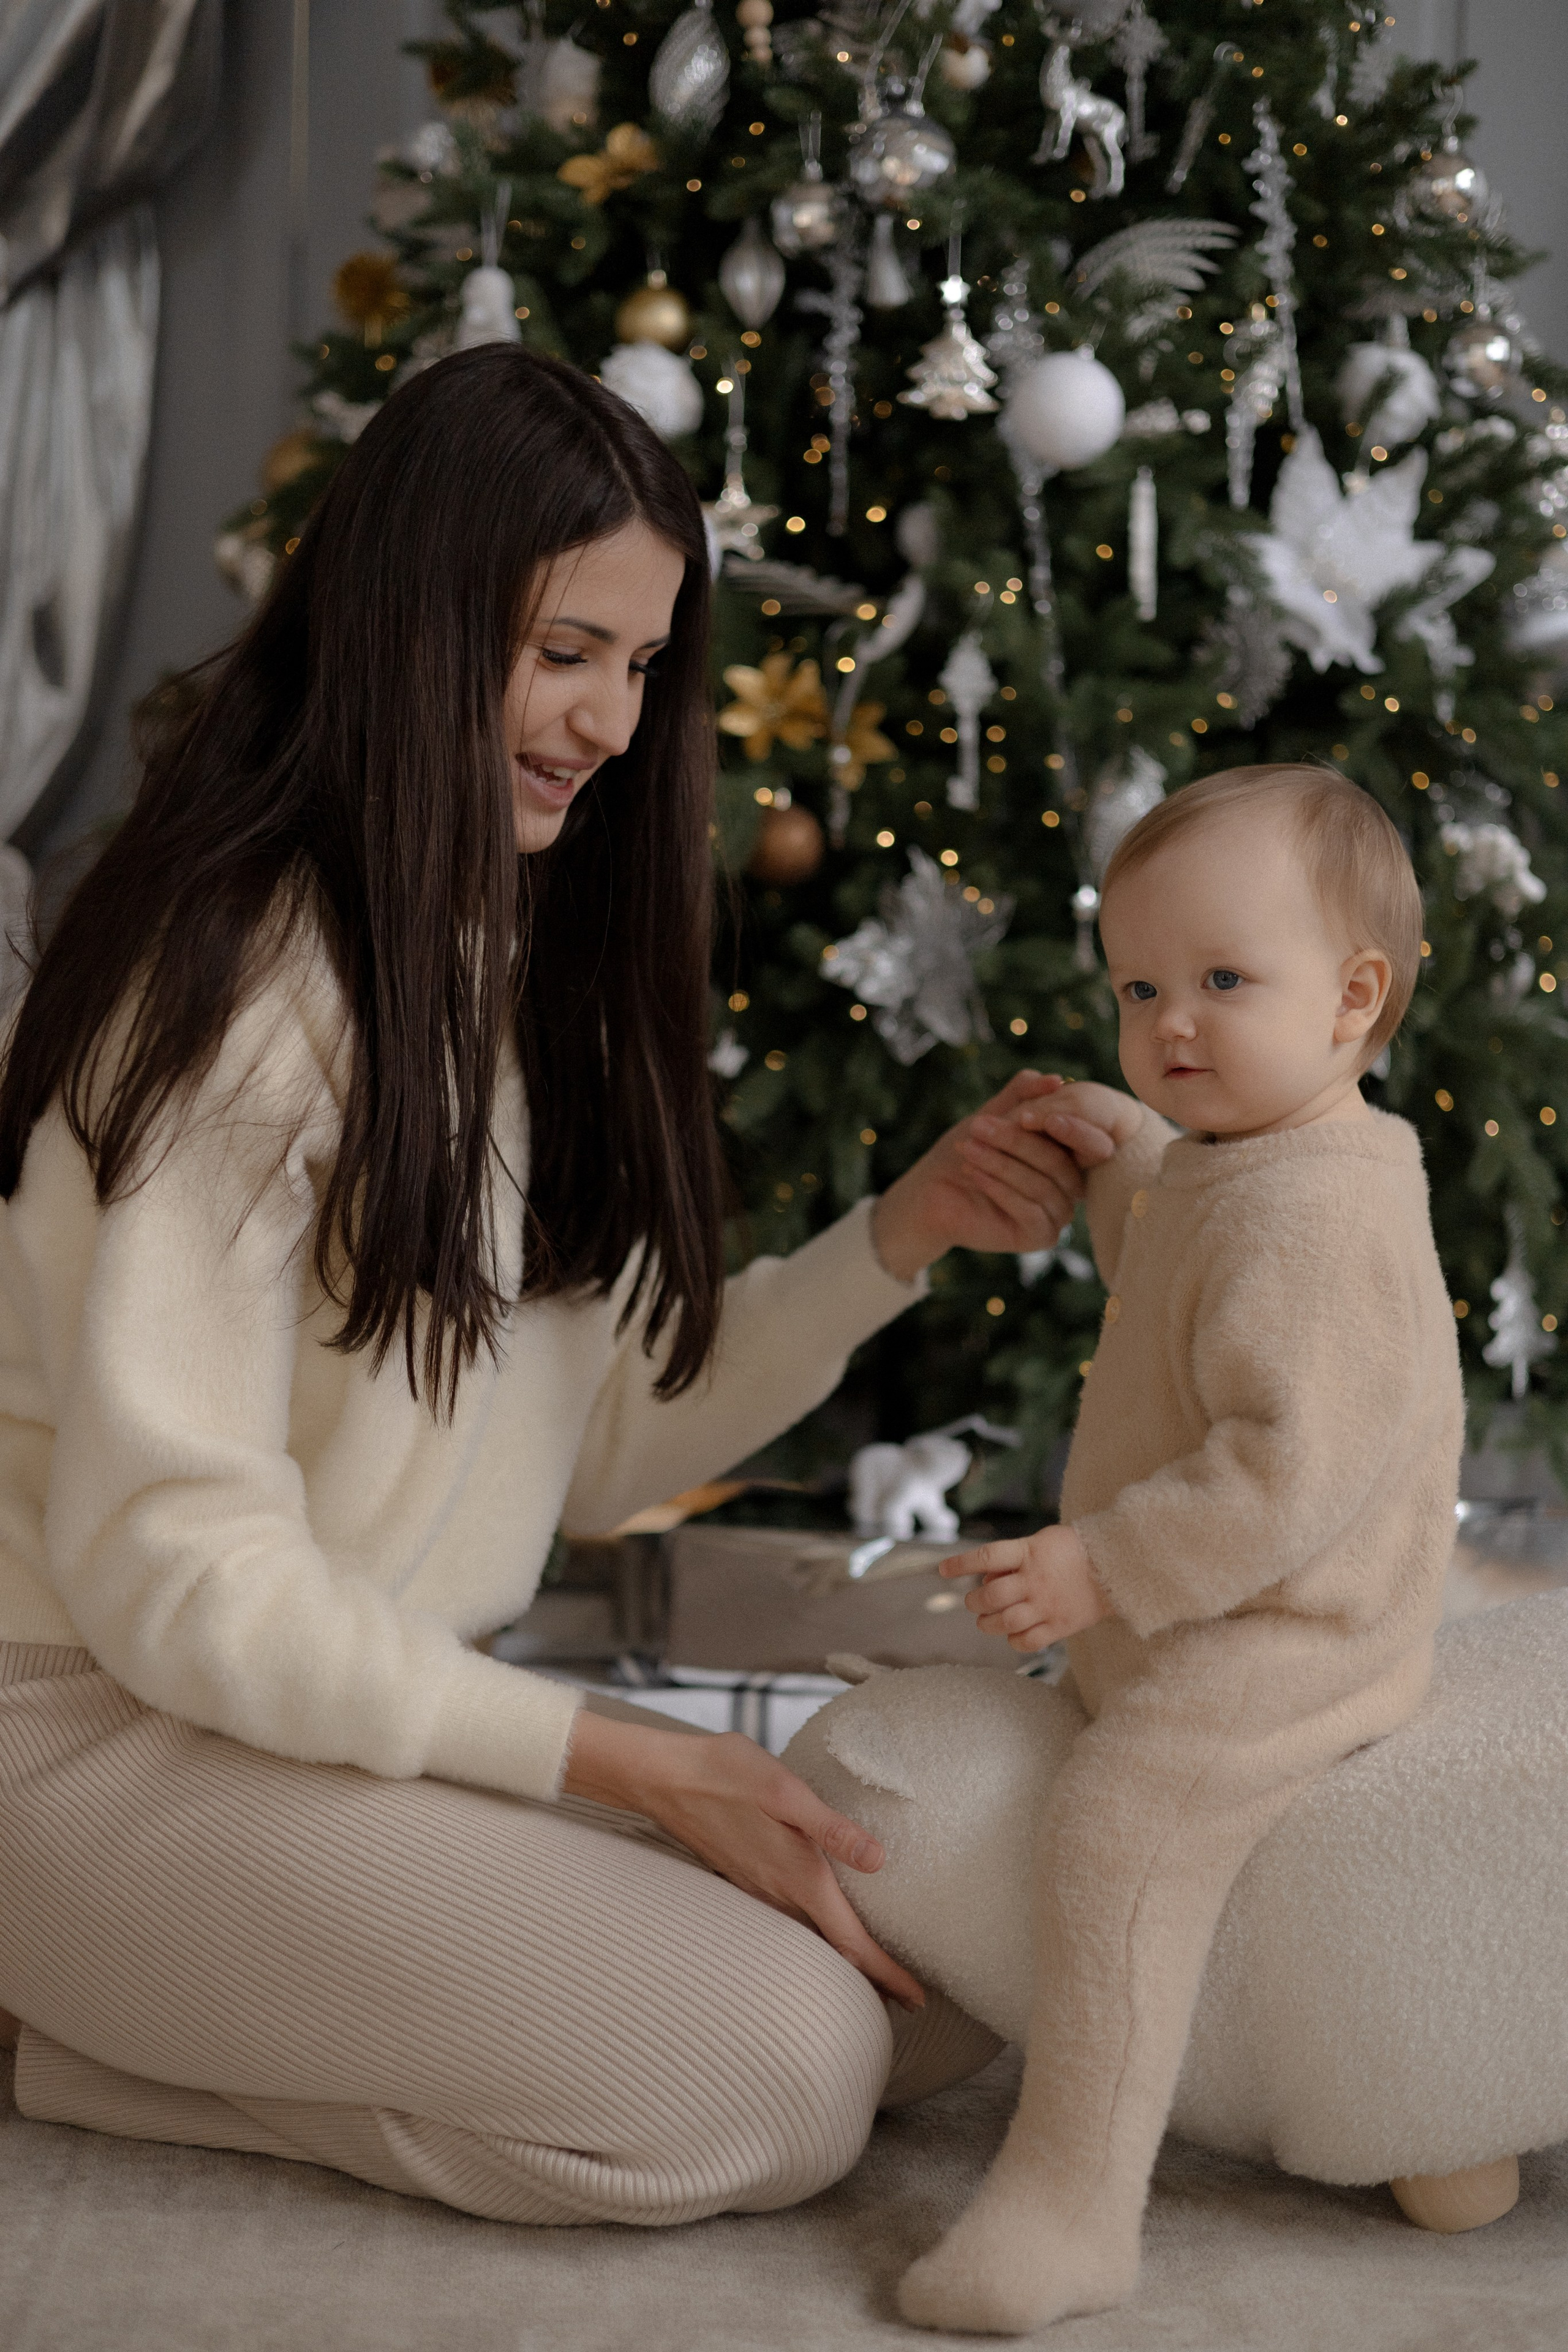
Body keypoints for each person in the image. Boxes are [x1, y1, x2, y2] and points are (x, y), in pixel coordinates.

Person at [0, 345, 1098, 2226]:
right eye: (564, 650)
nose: (608, 721)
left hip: (336, 1720)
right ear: (413, 627)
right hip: (94, 1733)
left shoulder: (493, 960)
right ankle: (59, 2037)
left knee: (951, 1961)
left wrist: (899, 1238)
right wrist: (625, 1762)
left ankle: (165, 2010)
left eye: (643, 664)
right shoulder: (238, 993)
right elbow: (176, 1574)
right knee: (782, 2074)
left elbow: (588, 1462)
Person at [896, 766, 1464, 2334]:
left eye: (1221, 981)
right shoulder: (1248, 1155)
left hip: (1296, 1629)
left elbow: (1282, 1477)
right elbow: (1182, 1254)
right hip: (1217, 1600)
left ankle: (1072, 2205)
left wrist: (1094, 1569)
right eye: (1140, 987)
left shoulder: (1320, 1219)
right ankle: (1441, 2142)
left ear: (1352, 998)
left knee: (1116, 1822)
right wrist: (1126, 1151)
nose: (1171, 1025)